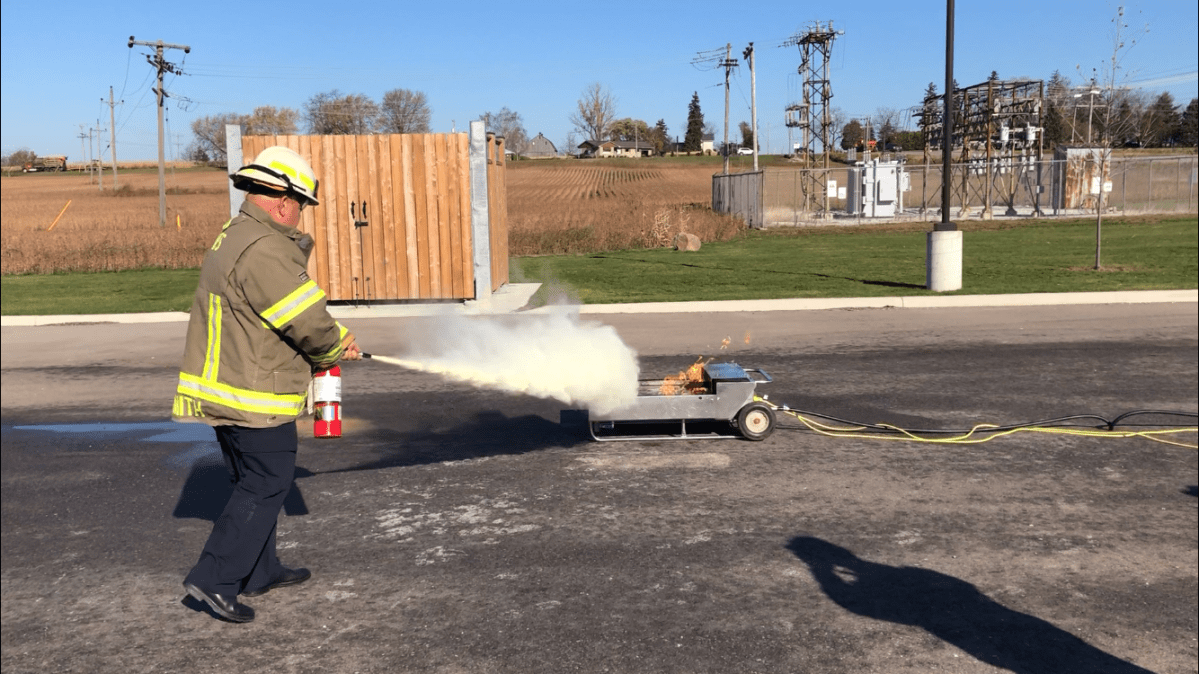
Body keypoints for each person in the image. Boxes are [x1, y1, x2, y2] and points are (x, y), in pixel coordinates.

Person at [172, 146, 361, 623]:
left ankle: (260, 571)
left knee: (250, 482)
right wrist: (336, 345)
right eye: (301, 206)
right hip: (255, 394)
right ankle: (214, 579)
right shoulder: (266, 248)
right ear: (282, 201)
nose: (300, 218)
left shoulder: (236, 235)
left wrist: (331, 343)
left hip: (230, 386)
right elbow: (306, 321)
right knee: (266, 483)